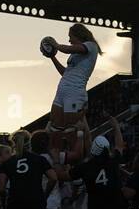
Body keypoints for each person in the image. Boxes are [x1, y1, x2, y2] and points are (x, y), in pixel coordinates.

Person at [43, 23, 102, 152]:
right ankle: (61, 158)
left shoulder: (91, 46)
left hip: (74, 92)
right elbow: (66, 72)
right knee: (55, 126)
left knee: (72, 131)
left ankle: (80, 158)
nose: (69, 40)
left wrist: (56, 45)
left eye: (70, 37)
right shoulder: (75, 53)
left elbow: (67, 49)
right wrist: (52, 57)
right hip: (62, 90)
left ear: (78, 35)